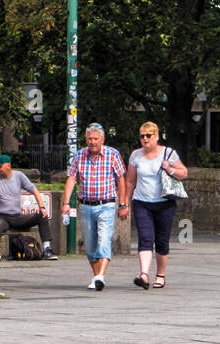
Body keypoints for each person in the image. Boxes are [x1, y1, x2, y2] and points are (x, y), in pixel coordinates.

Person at [61, 123, 127, 290]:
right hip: (86, 205)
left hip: (107, 204)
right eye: (89, 139)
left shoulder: (113, 154)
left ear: (102, 140)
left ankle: (99, 276)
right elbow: (71, 179)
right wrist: (66, 203)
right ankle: (98, 277)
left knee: (104, 240)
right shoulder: (78, 156)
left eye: (96, 139)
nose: (92, 142)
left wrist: (123, 203)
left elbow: (121, 180)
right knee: (89, 245)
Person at [126, 121, 188, 290]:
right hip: (142, 203)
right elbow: (130, 181)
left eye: (149, 135)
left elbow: (184, 173)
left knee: (162, 241)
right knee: (145, 238)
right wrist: (124, 202)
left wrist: (170, 169)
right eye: (142, 136)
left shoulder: (168, 153)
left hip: (164, 203)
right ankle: (144, 275)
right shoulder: (135, 156)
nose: (145, 139)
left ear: (157, 136)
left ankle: (160, 275)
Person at [0, 154, 57, 262]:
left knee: (42, 215)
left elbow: (35, 191)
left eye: (0, 167)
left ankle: (47, 249)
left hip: (17, 216)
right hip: (2, 216)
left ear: (8, 166)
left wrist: (42, 207)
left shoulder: (19, 176)